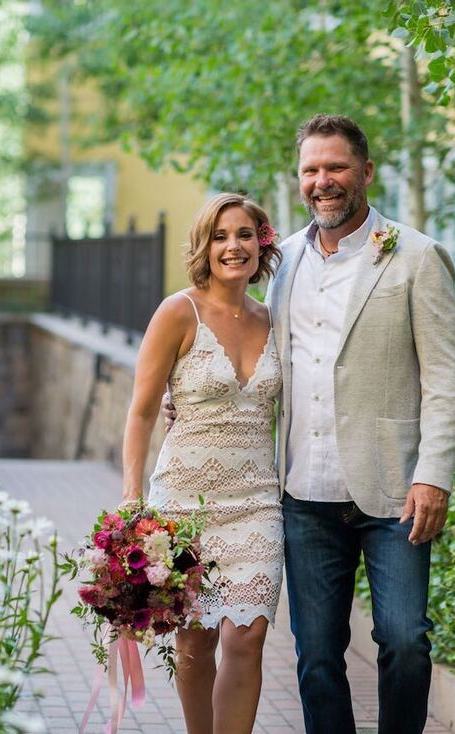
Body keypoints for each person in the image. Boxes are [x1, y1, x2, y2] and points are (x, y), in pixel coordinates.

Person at [165, 114, 455, 733]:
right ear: (299, 179)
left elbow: (444, 379)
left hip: (394, 492)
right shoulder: (283, 262)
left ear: (366, 172)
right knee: (317, 656)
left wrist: (433, 476)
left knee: (406, 640)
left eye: (336, 167)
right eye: (311, 170)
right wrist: (185, 396)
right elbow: (251, 354)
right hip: (301, 494)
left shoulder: (416, 257)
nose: (322, 181)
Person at [121, 192, 284, 734]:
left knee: (249, 636)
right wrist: (131, 498)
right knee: (195, 641)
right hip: (185, 507)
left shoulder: (275, 319)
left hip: (257, 504)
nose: (232, 246)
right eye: (220, 236)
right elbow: (142, 412)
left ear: (262, 243)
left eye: (243, 234)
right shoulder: (178, 311)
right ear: (204, 246)